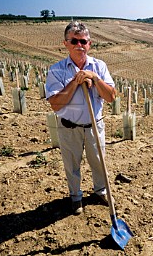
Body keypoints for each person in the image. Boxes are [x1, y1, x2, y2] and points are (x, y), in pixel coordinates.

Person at [45, 21, 116, 215]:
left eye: (83, 41)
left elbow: (110, 96)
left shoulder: (99, 66)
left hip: (94, 125)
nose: (79, 45)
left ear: (89, 44)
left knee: (98, 162)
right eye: (74, 40)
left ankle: (100, 191)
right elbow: (56, 104)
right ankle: (76, 197)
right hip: (69, 127)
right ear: (65, 43)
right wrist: (76, 83)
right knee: (72, 164)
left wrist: (94, 77)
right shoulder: (56, 70)